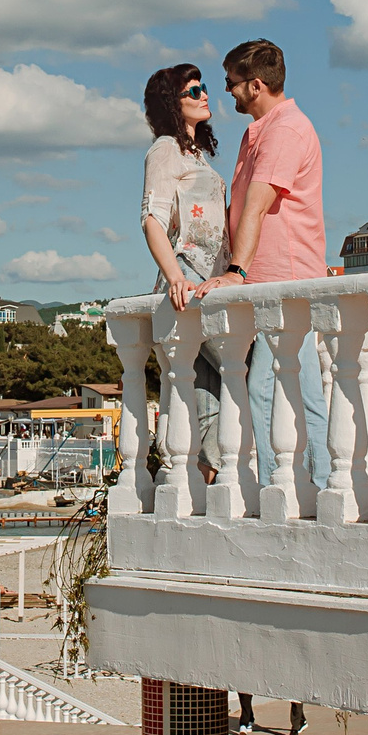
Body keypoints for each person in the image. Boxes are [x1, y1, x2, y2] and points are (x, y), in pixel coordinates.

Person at [196, 39, 332, 491]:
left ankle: (286, 486)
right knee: (302, 387)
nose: (227, 93)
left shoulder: (284, 131)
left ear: (256, 85)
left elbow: (255, 207)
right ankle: (316, 480)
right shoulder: (259, 131)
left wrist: (235, 272)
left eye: (232, 84)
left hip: (285, 280)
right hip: (268, 280)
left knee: (268, 389)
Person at [139, 64, 229, 469]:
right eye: (193, 91)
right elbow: (151, 218)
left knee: (211, 393)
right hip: (189, 275)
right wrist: (176, 277)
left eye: (203, 87)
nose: (204, 94)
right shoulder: (164, 149)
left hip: (211, 278)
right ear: (171, 104)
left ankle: (210, 483)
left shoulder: (197, 155)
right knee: (237, 374)